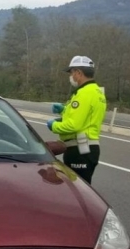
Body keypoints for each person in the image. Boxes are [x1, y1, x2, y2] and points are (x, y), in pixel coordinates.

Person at [46, 55, 107, 184]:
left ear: (79, 72)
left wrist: (54, 125)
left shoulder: (83, 93)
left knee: (77, 189)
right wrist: (64, 110)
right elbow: (86, 116)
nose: (71, 76)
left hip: (80, 149)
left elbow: (74, 125)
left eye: (72, 72)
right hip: (88, 148)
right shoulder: (96, 91)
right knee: (83, 187)